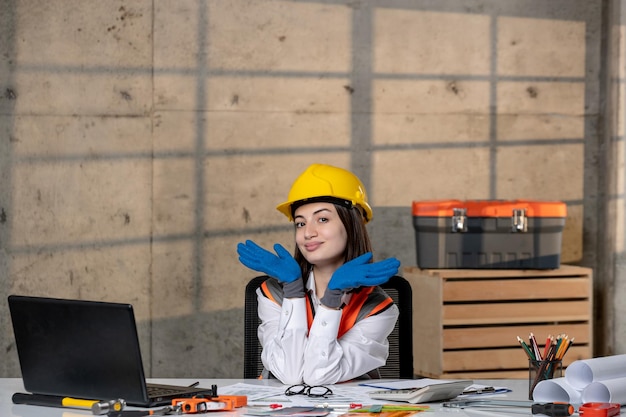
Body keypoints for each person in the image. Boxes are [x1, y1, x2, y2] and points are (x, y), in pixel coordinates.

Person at [237, 163, 400, 385]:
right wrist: (293, 292)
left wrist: (332, 300)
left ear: (353, 225)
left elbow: (319, 376)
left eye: (322, 219)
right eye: (300, 223)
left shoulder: (378, 309)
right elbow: (290, 374)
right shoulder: (272, 293)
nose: (308, 233)